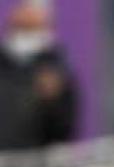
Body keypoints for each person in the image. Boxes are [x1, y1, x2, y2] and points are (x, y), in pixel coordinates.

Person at [0, 2, 76, 151]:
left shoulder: (57, 73)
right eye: (22, 26)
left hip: (34, 166)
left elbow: (63, 132)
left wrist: (53, 102)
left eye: (32, 28)